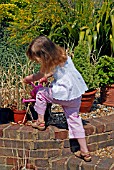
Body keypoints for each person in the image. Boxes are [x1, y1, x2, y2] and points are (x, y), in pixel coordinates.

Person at [23, 35, 92, 162]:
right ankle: (85, 151)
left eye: (37, 58)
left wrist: (27, 79)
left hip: (63, 93)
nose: (37, 61)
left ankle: (40, 121)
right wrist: (47, 76)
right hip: (75, 94)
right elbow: (57, 72)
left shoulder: (49, 63)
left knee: (41, 93)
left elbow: (38, 75)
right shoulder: (64, 57)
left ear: (44, 55)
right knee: (74, 120)